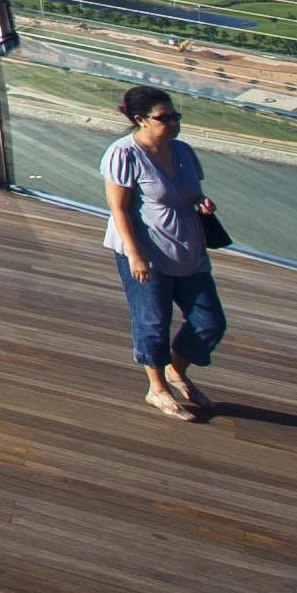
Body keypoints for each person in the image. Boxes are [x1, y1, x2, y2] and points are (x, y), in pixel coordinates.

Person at [101, 84, 224, 422]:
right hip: (146, 254)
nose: (172, 124)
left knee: (209, 322)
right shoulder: (123, 154)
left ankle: (176, 369)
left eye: (175, 116)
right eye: (163, 118)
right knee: (153, 321)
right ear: (140, 120)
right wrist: (134, 254)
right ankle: (156, 388)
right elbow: (119, 209)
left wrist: (200, 201)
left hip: (187, 248)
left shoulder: (182, 151)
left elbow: (187, 192)